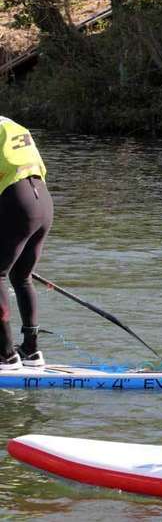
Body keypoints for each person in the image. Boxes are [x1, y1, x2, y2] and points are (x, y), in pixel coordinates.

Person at [0, 116, 53, 370]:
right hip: (43, 201)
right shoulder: (11, 125)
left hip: (18, 201)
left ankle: (5, 355)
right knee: (21, 276)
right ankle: (31, 351)